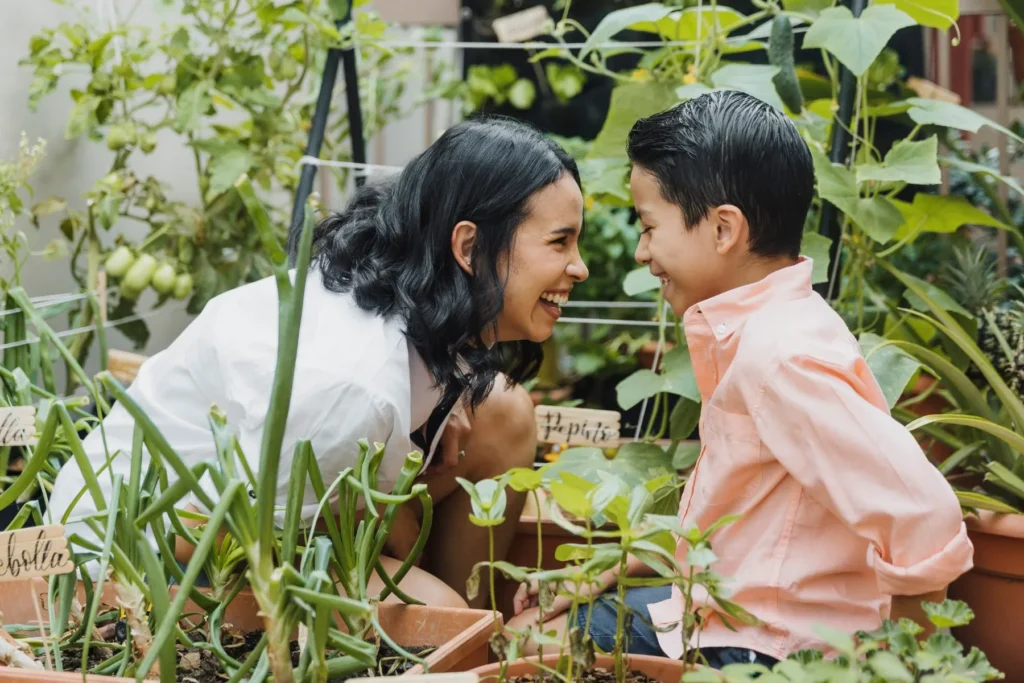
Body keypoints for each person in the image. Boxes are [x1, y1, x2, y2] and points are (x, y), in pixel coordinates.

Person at [508, 91, 974, 669]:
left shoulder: (780, 357)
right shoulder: (767, 333)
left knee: (521, 644)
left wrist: (902, 665)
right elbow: (750, 519)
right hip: (729, 614)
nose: (641, 251)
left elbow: (924, 515)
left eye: (650, 226)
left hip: (767, 646)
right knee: (539, 624)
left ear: (724, 229)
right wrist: (620, 565)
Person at [49, 116, 589, 609]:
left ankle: (473, 632)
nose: (579, 268)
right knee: (436, 609)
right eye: (559, 242)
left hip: (288, 508)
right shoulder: (350, 383)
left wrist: (444, 406)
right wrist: (396, 522)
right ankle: (455, 631)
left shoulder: (411, 299)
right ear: (468, 248)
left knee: (503, 412)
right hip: (146, 556)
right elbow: (232, 535)